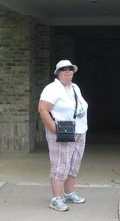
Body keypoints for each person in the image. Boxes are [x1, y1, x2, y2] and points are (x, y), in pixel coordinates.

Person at [38, 59, 89, 212]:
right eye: (64, 69)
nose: (68, 71)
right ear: (58, 73)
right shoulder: (52, 88)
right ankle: (57, 199)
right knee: (61, 165)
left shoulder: (75, 88)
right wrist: (53, 127)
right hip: (62, 132)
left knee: (74, 164)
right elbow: (42, 109)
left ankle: (69, 193)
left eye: (70, 69)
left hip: (79, 130)